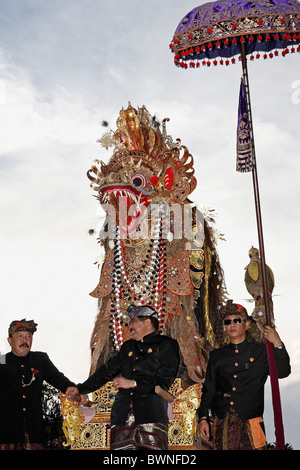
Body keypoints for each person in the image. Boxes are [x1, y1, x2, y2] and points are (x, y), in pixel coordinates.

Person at [66, 305, 180, 450]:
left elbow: (165, 380)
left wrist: (133, 383)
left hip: (150, 415)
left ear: (147, 322)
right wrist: (80, 388)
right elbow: (105, 372)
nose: (130, 326)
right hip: (122, 415)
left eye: (133, 321)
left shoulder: (166, 344)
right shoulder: (127, 347)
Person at [197, 300, 291, 450]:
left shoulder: (261, 352)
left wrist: (277, 343)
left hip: (250, 421)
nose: (232, 325)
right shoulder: (216, 356)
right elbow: (209, 390)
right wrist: (203, 418)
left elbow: (283, 372)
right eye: (227, 322)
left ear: (247, 325)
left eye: (237, 320)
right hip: (222, 422)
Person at [0, 319, 75, 450]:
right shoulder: (2, 360)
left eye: (29, 336)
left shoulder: (40, 359)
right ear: (9, 340)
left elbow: (58, 378)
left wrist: (74, 388)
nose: (25, 340)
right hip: (6, 433)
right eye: (20, 336)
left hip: (34, 430)